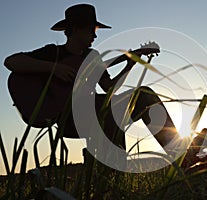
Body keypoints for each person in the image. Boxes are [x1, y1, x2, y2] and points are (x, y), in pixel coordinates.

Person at [4, 4, 188, 162]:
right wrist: (54, 68)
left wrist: (128, 66)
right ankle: (109, 169)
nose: (95, 36)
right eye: (92, 30)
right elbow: (11, 61)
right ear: (76, 29)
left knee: (143, 95)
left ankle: (182, 158)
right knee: (107, 110)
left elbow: (109, 89)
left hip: (96, 111)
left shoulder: (93, 57)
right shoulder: (54, 53)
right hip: (68, 119)